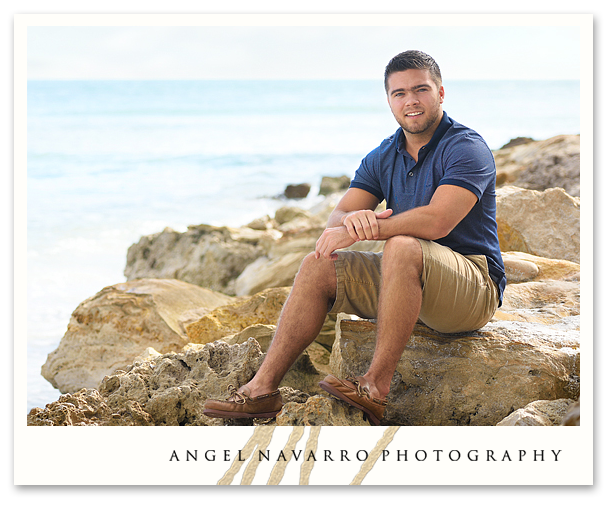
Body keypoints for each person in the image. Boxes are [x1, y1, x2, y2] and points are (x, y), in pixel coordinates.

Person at [203, 50, 506, 425]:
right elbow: (337, 217)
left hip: (472, 288)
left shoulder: (465, 147)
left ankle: (375, 388)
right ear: (389, 101)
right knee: (316, 266)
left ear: (440, 94)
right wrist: (354, 220)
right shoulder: (383, 154)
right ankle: (261, 391)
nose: (410, 100)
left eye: (420, 90)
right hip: (411, 282)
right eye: (399, 93)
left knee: (402, 244)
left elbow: (437, 222)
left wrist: (370, 227)